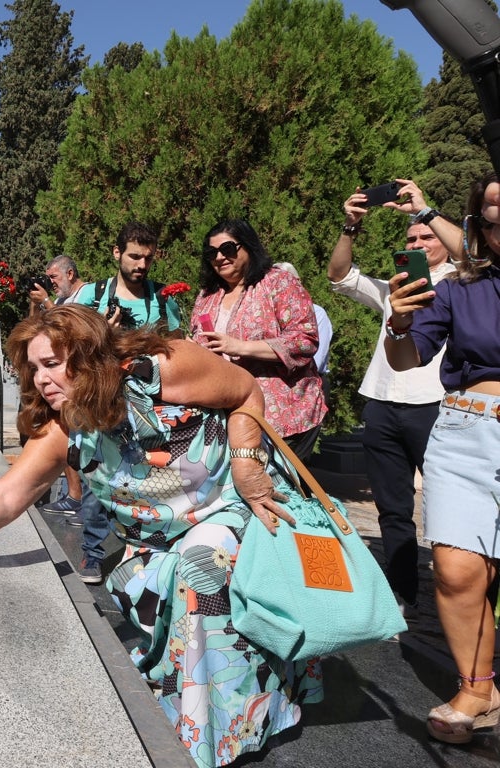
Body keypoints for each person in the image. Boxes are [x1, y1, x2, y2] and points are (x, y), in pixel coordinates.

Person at [0, 305, 321, 767]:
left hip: (235, 502)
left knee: (201, 562)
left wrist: (248, 463)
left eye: (52, 363)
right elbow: (8, 496)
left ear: (88, 355)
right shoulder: (65, 425)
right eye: (34, 368)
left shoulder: (161, 369)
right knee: (179, 572)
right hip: (160, 538)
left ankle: (200, 742)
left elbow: (246, 390)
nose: (42, 378)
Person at [385, 172, 500, 745]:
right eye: (493, 216)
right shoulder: (458, 287)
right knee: (455, 572)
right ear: (480, 225)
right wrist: (398, 323)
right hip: (465, 428)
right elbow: (406, 357)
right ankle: (478, 689)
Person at [328, 179, 460, 617]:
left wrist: (424, 211)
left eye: (426, 236)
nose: (418, 243)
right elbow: (340, 277)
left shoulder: (464, 281)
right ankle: (403, 592)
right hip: (383, 404)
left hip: (437, 405)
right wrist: (350, 227)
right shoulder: (394, 288)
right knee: (392, 508)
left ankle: (457, 592)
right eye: (411, 239)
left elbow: (475, 255)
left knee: (448, 506)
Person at [190, 219, 326, 459]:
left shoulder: (278, 282)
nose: (219, 257)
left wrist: (240, 347)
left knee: (276, 482)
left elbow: (305, 340)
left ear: (248, 246)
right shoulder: (207, 295)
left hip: (281, 415)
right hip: (226, 414)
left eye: (227, 249)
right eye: (212, 253)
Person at [26, 254, 109, 583]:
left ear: (70, 273)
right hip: (72, 400)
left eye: (54, 277)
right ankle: (91, 546)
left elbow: (82, 335)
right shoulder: (58, 301)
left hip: (92, 394)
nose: (50, 283)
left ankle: (96, 548)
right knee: (84, 465)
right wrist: (40, 304)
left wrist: (49, 303)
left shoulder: (89, 295)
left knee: (97, 473)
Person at [75, 222, 183, 336]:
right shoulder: (92, 295)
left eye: (148, 258)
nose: (142, 265)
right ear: (117, 253)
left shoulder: (162, 296)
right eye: (135, 257)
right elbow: (76, 342)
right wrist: (105, 333)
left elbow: (176, 342)